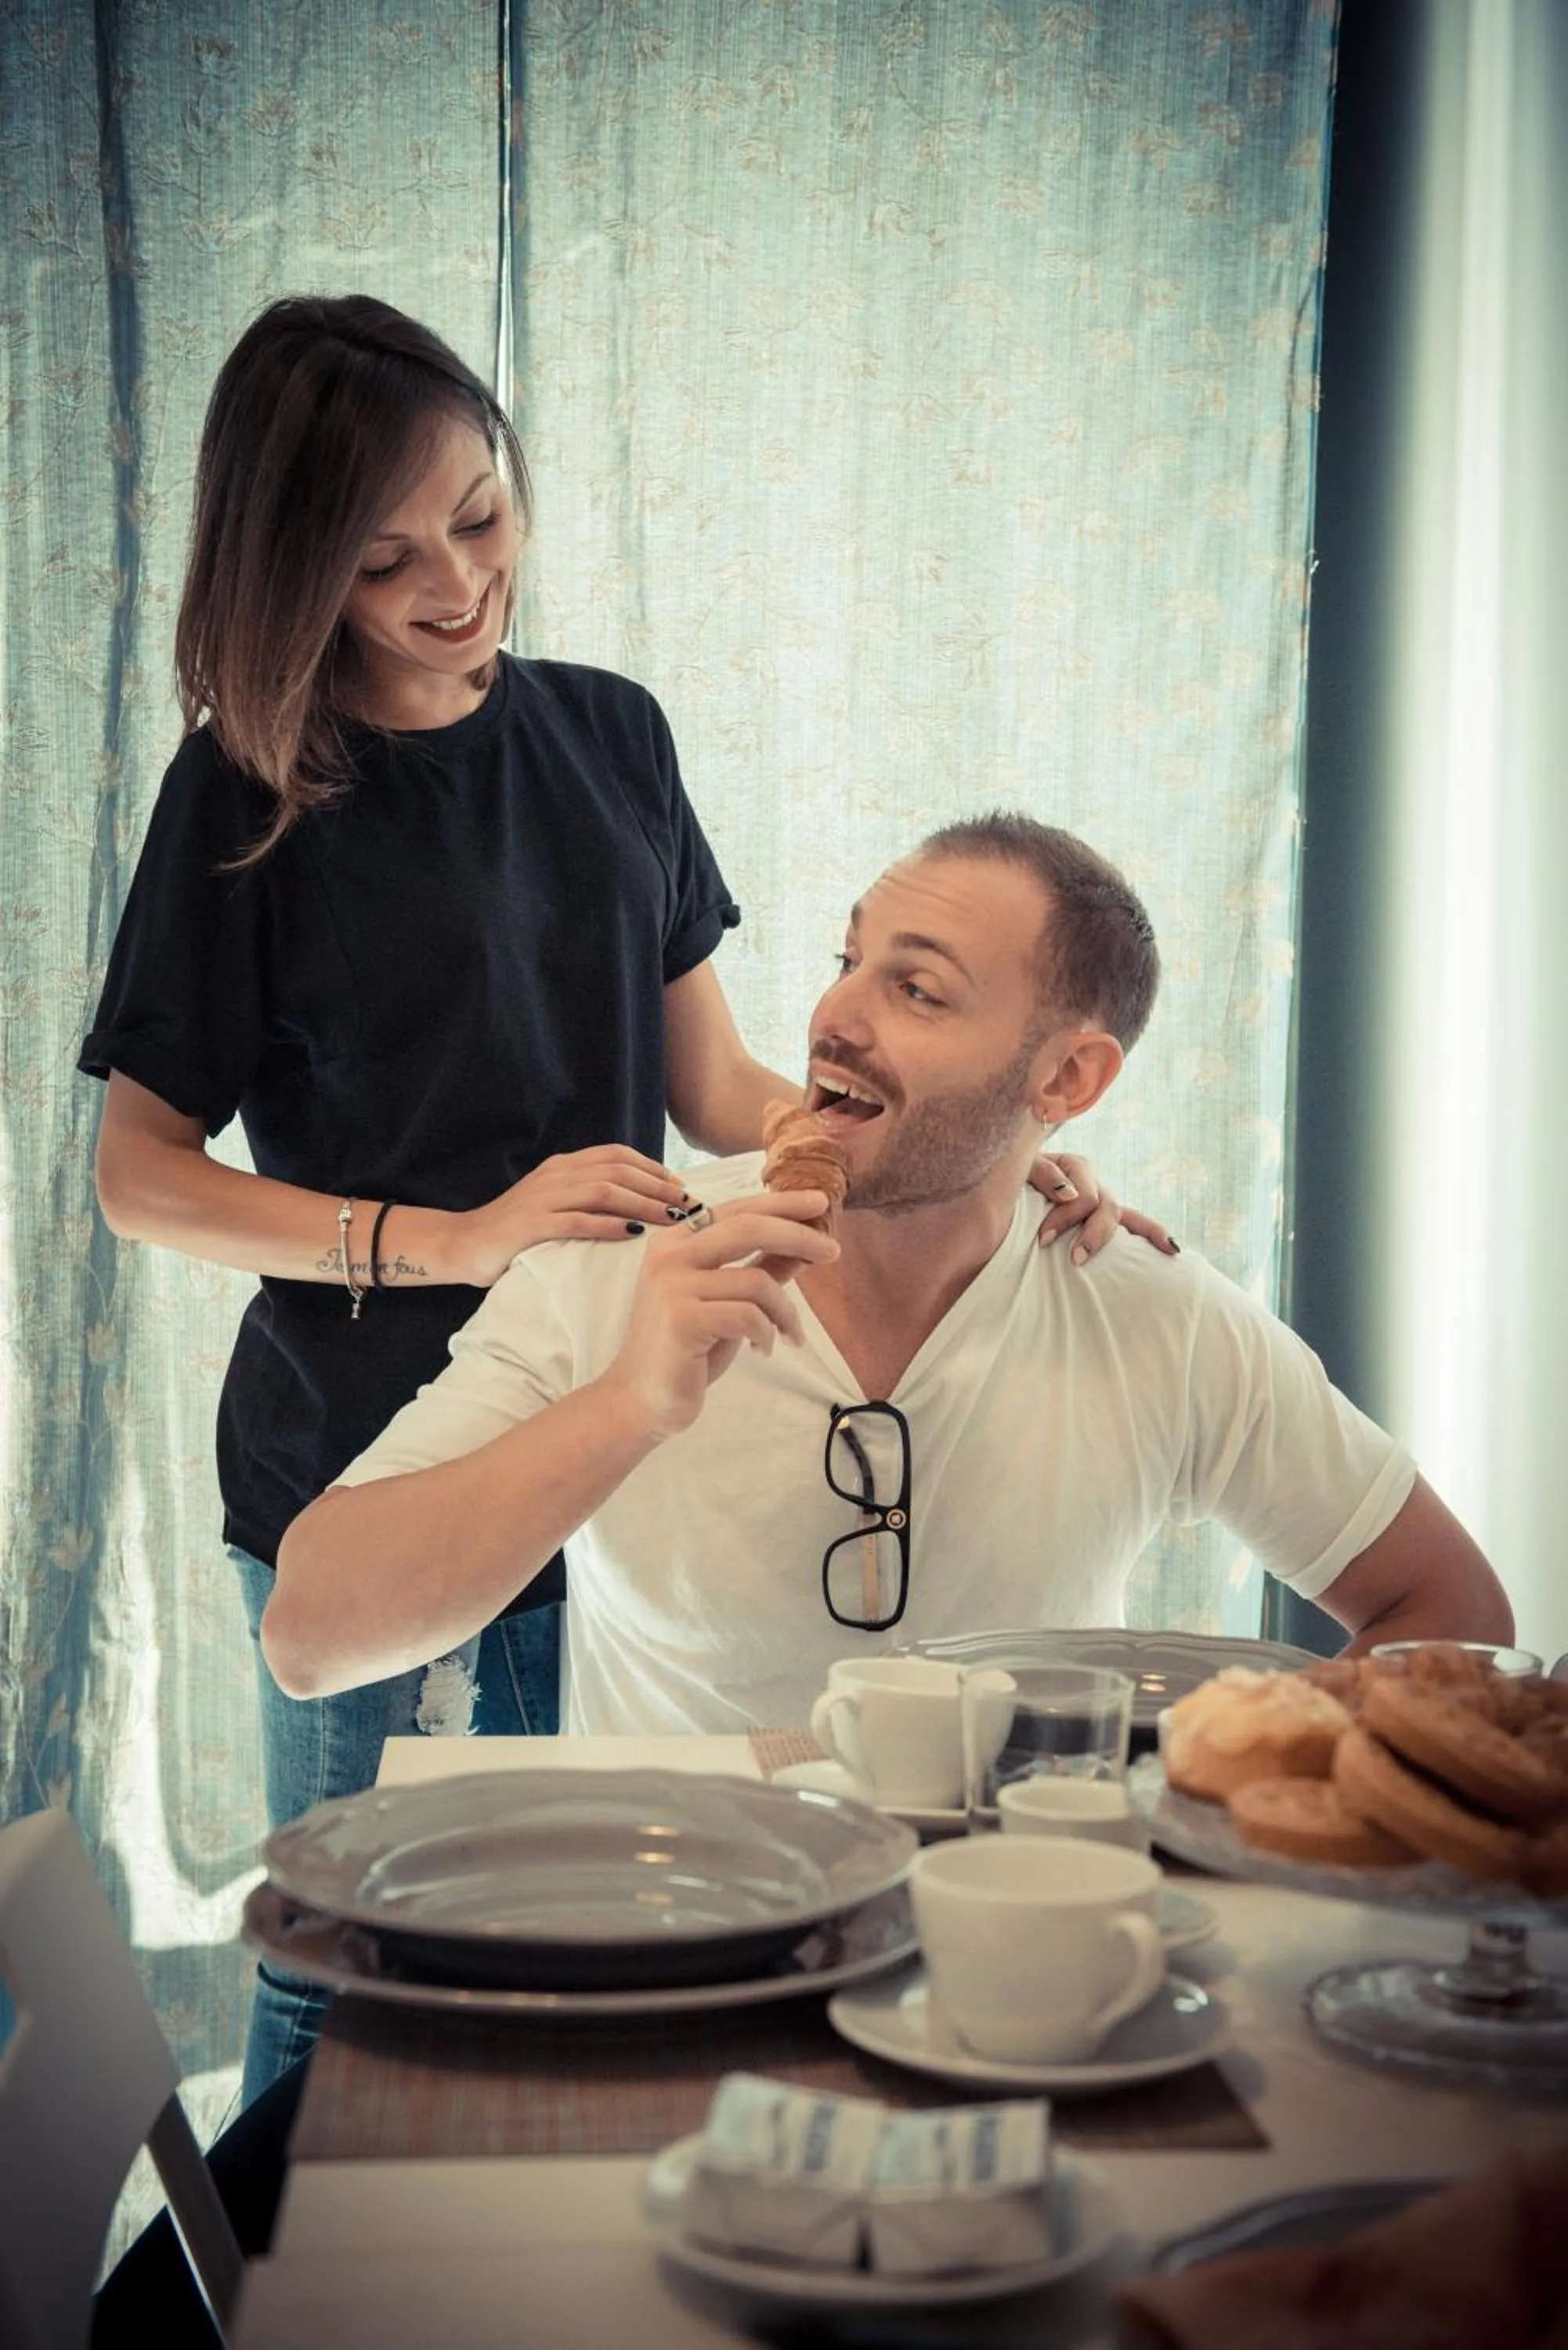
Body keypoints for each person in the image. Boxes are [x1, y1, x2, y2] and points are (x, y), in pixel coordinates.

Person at [78, 302, 1147, 2099]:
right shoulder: (243, 797)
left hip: (605, 1426)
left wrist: (972, 1135)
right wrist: (465, 1239)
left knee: (580, 1939)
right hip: (360, 1461)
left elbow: (719, 1095)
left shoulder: (609, 738)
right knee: (339, 1963)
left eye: (482, 518)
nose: (457, 585)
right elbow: (139, 1183)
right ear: (294, 567)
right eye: (385, 555)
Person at [274, 812, 1515, 1729]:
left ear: (1065, 1083)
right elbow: (313, 1638)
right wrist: (625, 1406)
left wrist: (1228, 1800)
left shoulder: (1150, 1313)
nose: (834, 1017)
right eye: (845, 960)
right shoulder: (621, 1272)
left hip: (1005, 1976)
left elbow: (1447, 1606)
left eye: (915, 988)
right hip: (673, 1972)